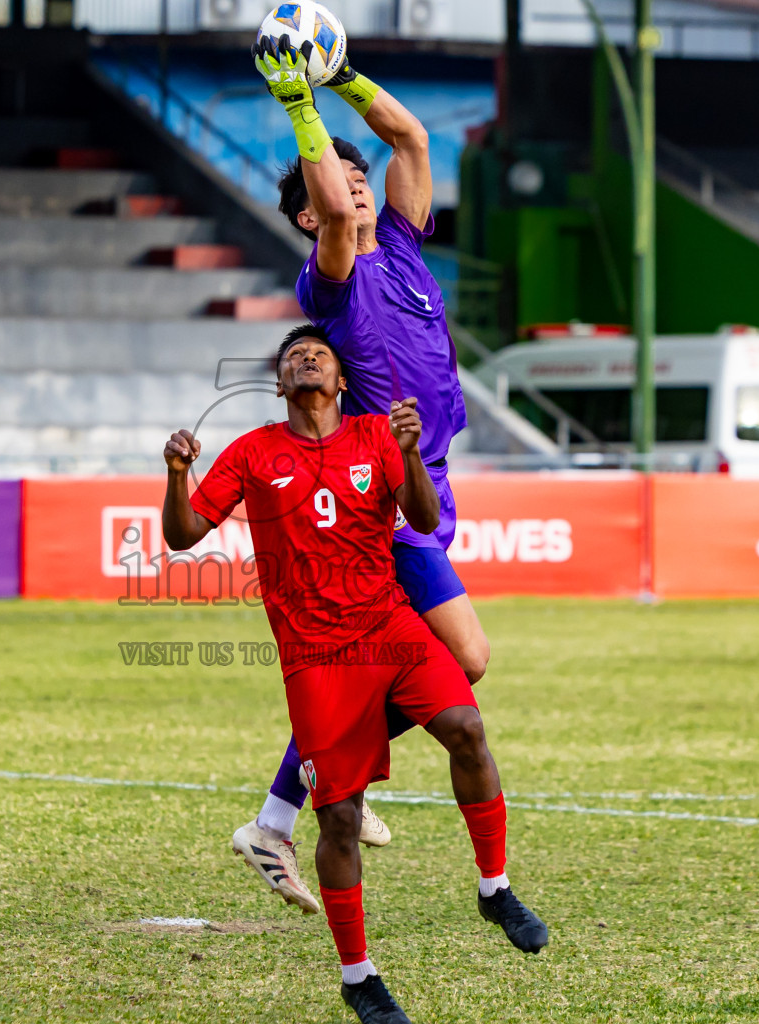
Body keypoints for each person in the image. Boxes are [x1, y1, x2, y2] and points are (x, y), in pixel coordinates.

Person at [162, 329, 548, 1024]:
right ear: (280, 386)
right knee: (339, 817)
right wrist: (176, 474)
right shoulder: (252, 451)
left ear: (341, 381)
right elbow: (184, 534)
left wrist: (407, 454)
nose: (305, 360)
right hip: (316, 657)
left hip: (389, 628)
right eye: (292, 359)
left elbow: (424, 520)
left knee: (467, 726)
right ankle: (358, 975)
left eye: (319, 356)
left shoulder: (375, 436)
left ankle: (495, 889)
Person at [229, 26, 496, 915]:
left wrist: (339, 74)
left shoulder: (411, 245)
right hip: (383, 493)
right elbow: (342, 214)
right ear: (310, 213)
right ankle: (290, 807)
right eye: (333, 178)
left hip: (434, 481)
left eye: (353, 169)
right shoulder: (329, 275)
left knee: (400, 661)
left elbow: (411, 139)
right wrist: (301, 109)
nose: (352, 181)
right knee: (465, 657)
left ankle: (281, 813)